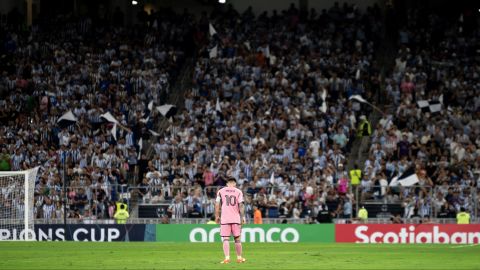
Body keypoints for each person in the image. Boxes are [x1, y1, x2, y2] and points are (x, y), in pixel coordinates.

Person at [215, 178, 246, 264]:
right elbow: (241, 205)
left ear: (227, 183)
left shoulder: (221, 191)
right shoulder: (239, 192)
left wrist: (217, 216)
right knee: (237, 239)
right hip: (235, 218)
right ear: (235, 183)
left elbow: (217, 204)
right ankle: (239, 258)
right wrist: (243, 217)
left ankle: (227, 258)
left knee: (225, 239)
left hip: (225, 219)